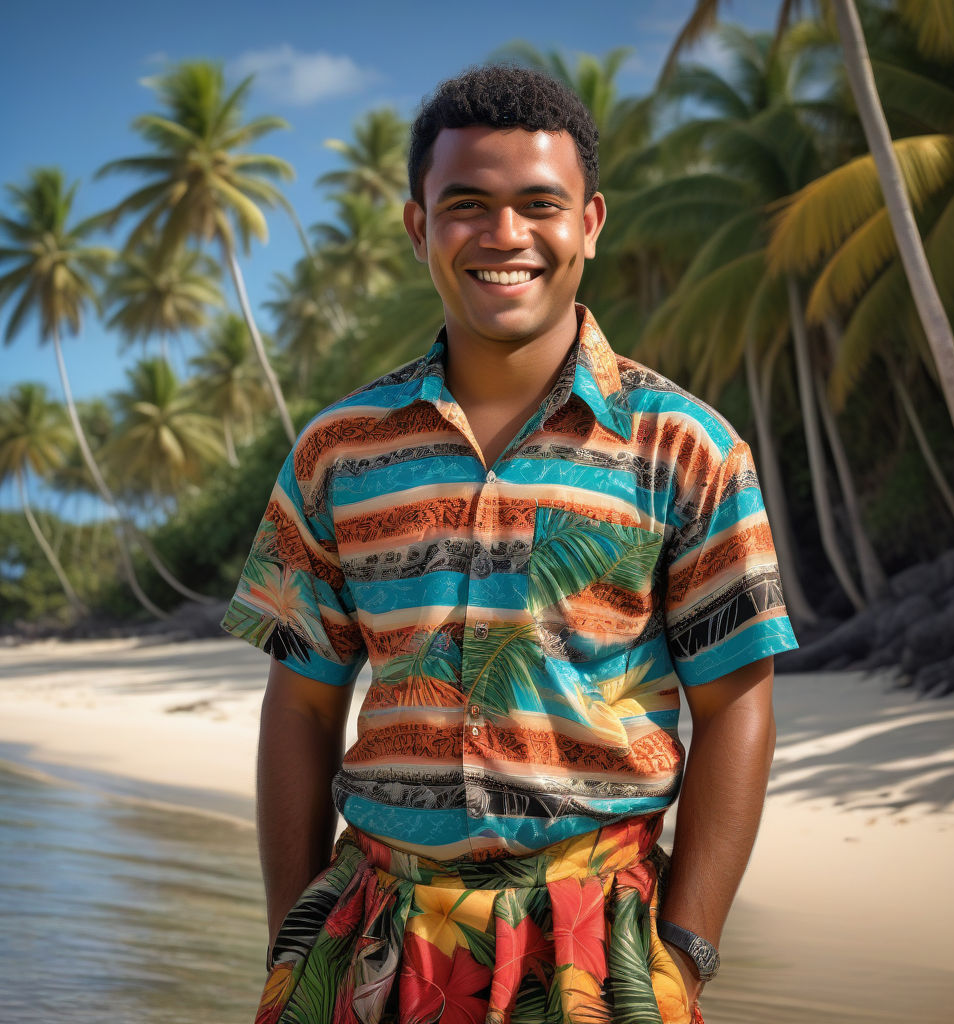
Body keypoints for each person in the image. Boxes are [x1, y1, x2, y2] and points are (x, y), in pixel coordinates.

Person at [222, 64, 798, 1024]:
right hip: (371, 934)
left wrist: (687, 949)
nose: (504, 235)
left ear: (592, 222)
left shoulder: (684, 448)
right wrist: (292, 940)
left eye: (540, 203)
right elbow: (303, 705)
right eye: (466, 204)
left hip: (597, 940)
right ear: (418, 228)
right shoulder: (338, 453)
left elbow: (738, 704)